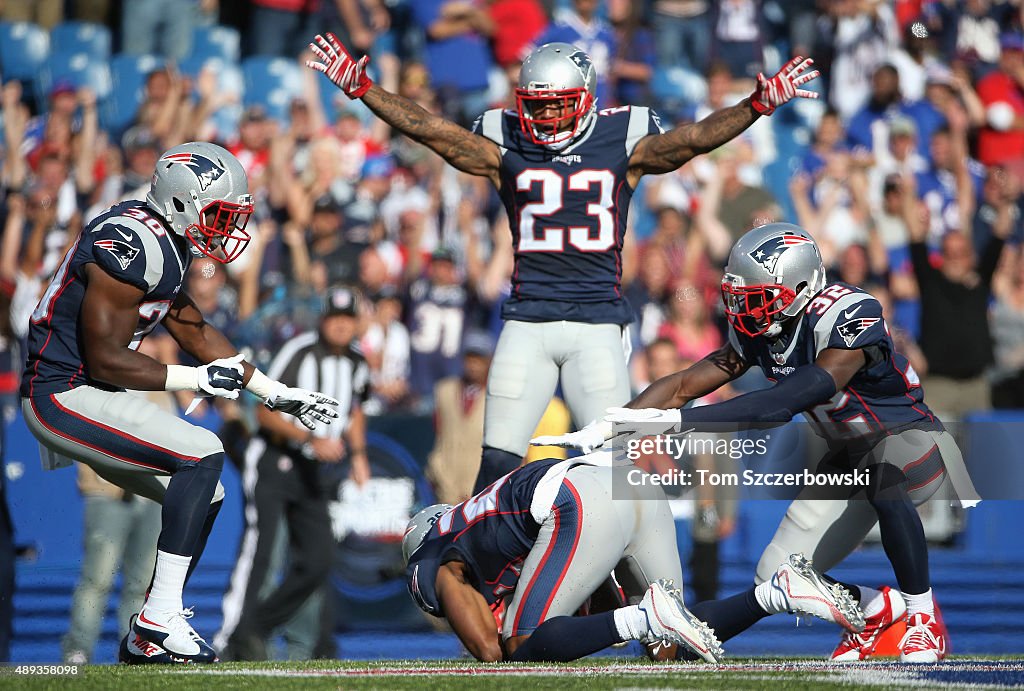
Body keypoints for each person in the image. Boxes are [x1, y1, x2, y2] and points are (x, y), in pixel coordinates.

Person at [306, 32, 821, 494]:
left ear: (587, 99)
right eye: (538, 106)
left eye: (559, 106)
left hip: (597, 322)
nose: (547, 118)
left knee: (612, 470)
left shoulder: (621, 138)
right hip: (527, 319)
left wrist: (756, 104)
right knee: (495, 467)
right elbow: (435, 133)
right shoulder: (506, 141)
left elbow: (690, 141)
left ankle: (623, 594)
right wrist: (364, 89)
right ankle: (494, 589)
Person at [534, 223, 980, 663]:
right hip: (849, 457)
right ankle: (880, 612)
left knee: (883, 459)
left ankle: (922, 617)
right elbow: (685, 383)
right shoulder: (764, 331)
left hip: (913, 445)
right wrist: (616, 427)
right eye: (741, 299)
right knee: (778, 576)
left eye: (759, 299)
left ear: (801, 288)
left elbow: (782, 403)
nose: (746, 311)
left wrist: (672, 423)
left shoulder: (845, 315)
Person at [19, 141, 341, 664]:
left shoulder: (169, 242)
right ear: (180, 201)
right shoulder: (129, 242)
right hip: (59, 390)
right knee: (202, 449)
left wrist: (276, 393)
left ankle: (152, 625)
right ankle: (156, 621)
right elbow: (104, 359)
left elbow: (194, 328)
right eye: (219, 213)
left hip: (92, 388)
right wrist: (196, 378)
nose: (227, 227)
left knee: (205, 492)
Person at [402, 456, 864, 663]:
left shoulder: (435, 551)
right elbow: (603, 606)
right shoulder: (484, 529)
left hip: (580, 500)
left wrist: (633, 620)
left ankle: (654, 617)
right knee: (672, 645)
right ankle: (776, 594)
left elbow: (490, 650)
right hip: (630, 486)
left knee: (522, 645)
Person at [216, 285, 371, 661]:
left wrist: (359, 454)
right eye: (334, 319)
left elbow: (354, 410)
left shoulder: (356, 362)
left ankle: (255, 628)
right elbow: (265, 412)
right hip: (275, 458)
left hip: (313, 471)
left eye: (346, 319)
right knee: (262, 553)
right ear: (323, 320)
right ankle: (229, 640)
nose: (339, 327)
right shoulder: (299, 352)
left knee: (319, 559)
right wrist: (307, 438)